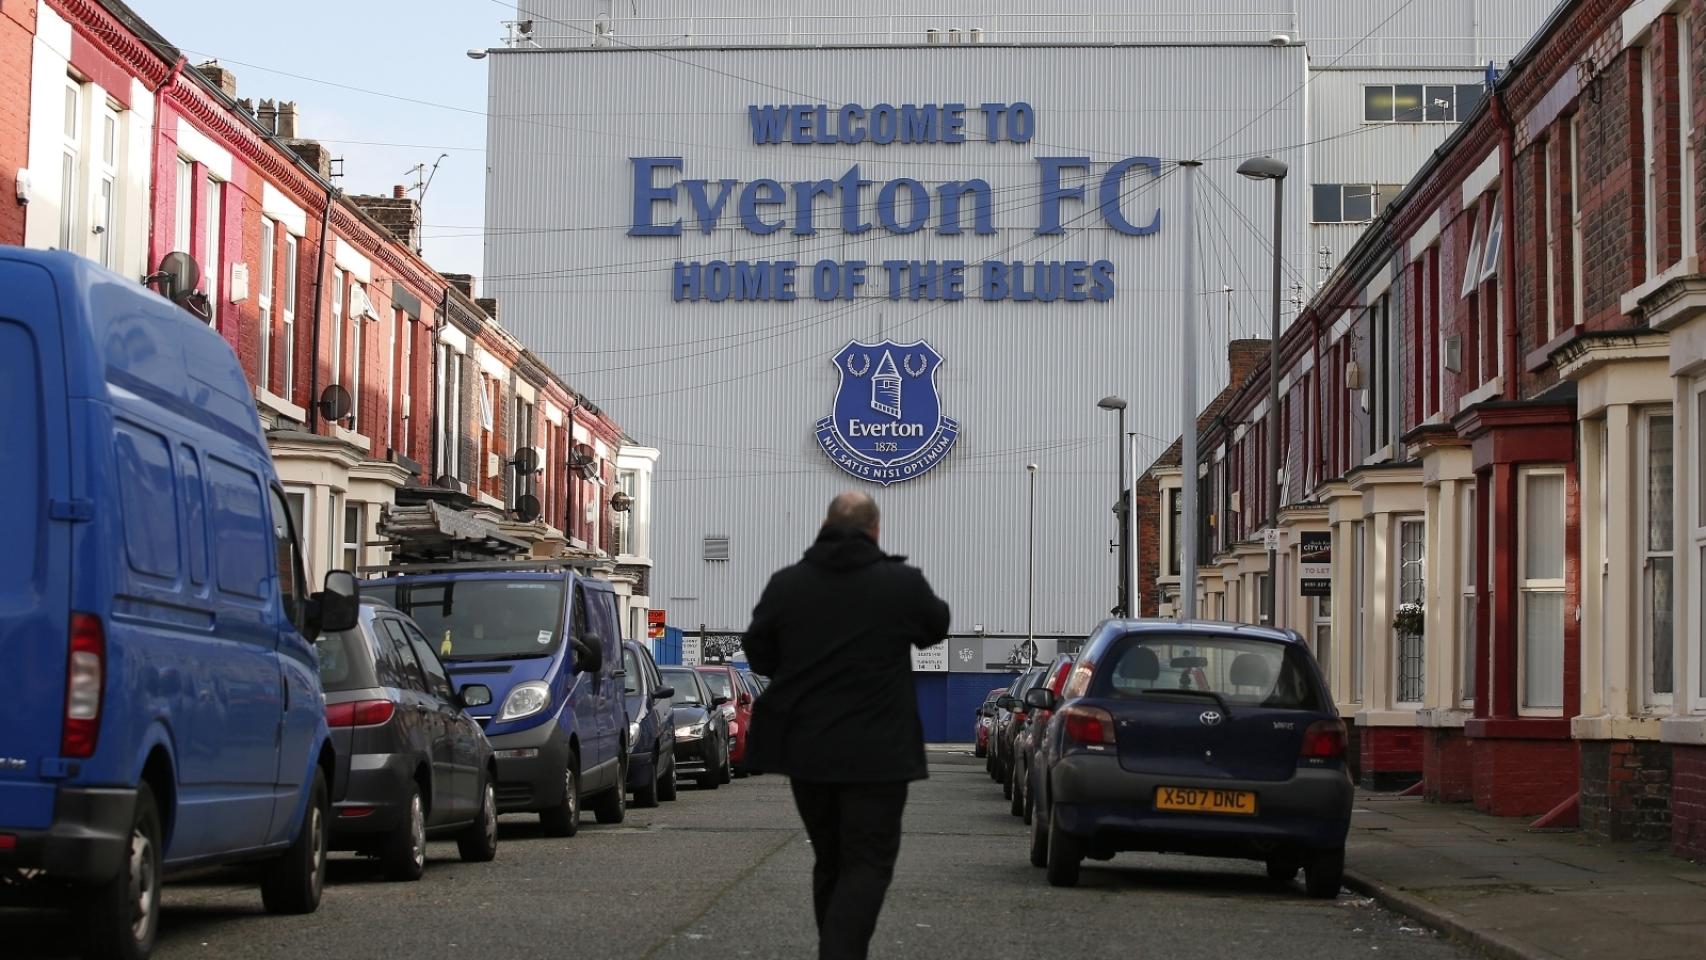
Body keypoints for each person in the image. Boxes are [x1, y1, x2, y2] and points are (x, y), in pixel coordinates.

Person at [743, 491, 950, 960]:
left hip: (808, 749)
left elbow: (759, 652)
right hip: (879, 753)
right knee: (867, 861)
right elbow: (935, 626)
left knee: (831, 858)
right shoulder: (900, 584)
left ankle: (836, 949)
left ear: (825, 524)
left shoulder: (787, 585)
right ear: (875, 530)